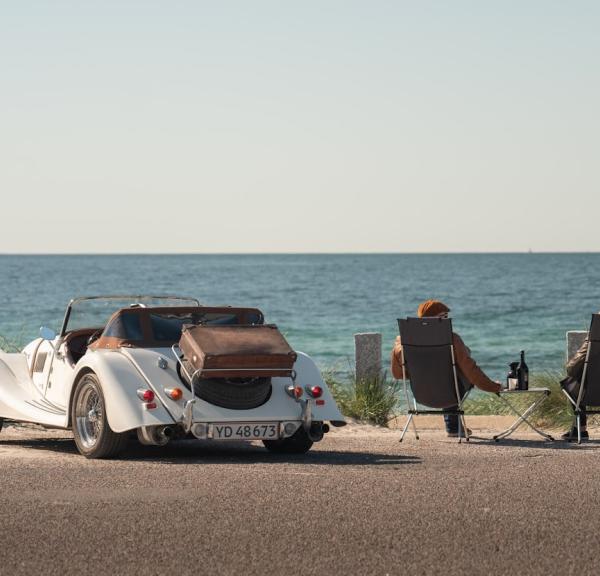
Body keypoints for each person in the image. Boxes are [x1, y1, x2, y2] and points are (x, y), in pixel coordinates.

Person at [391, 299, 502, 437]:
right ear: (429, 319)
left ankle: (453, 427)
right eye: (442, 317)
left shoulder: (402, 341)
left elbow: (398, 374)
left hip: (421, 395)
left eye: (447, 318)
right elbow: (472, 371)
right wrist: (493, 386)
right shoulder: (452, 339)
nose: (446, 321)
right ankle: (453, 426)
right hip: (449, 395)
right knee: (459, 372)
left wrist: (421, 372)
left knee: (444, 372)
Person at [561, 337, 590, 440]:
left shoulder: (592, 340)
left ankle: (581, 429)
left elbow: (571, 368)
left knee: (570, 384)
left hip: (593, 394)